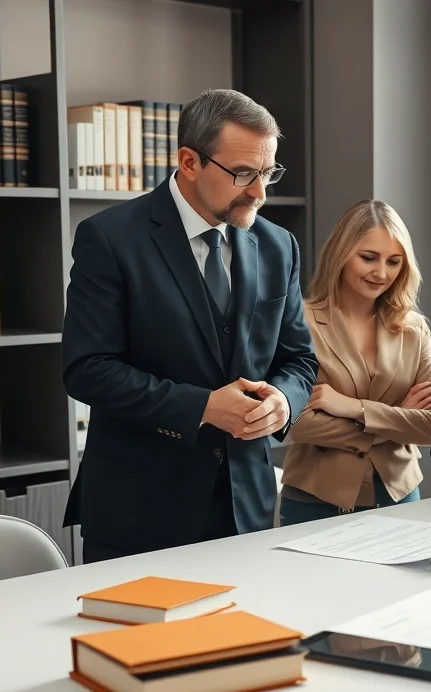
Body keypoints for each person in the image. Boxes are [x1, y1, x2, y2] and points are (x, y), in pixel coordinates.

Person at [62, 89, 318, 563]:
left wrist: (283, 403)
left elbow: (300, 359)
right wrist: (201, 407)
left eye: (268, 172)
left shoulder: (279, 244)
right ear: (189, 161)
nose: (260, 191)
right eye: (244, 173)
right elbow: (87, 369)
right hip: (139, 513)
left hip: (248, 511)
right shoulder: (110, 238)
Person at [278, 200, 431, 523]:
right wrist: (396, 420)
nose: (382, 273)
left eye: (394, 262)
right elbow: (297, 424)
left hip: (399, 498)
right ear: (342, 253)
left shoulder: (414, 329)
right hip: (314, 501)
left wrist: (351, 408)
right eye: (368, 258)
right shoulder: (301, 322)